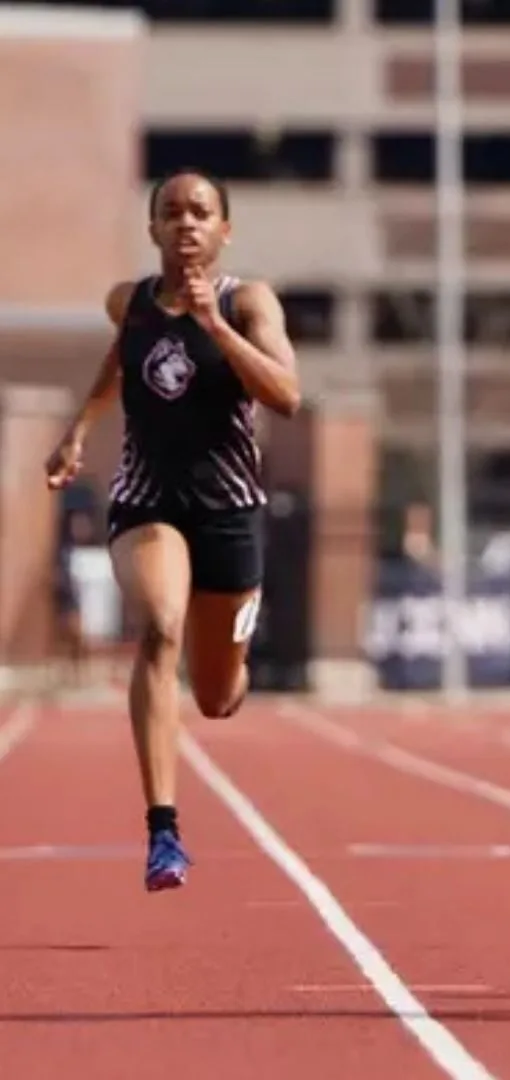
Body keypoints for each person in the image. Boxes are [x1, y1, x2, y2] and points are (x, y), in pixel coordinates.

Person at [45, 169, 301, 892]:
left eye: (201, 213)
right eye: (171, 213)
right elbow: (118, 366)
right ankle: (164, 832)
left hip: (229, 510)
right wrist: (76, 433)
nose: (186, 224)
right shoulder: (127, 304)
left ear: (225, 230)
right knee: (159, 625)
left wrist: (213, 326)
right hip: (147, 501)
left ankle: (231, 667)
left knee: (217, 696)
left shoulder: (247, 302)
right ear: (153, 228)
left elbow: (286, 394)